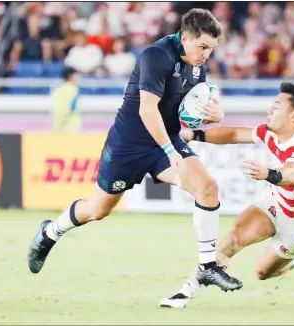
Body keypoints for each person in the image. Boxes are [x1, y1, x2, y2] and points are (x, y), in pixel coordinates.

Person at [27, 8, 243, 293]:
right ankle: (49, 232)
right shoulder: (157, 56)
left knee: (207, 188)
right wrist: (170, 149)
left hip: (165, 141)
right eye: (202, 47)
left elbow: (194, 107)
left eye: (211, 49)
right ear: (186, 38)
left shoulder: (197, 65)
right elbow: (147, 108)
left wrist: (216, 114)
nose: (206, 55)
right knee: (97, 210)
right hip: (128, 145)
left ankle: (207, 267)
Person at [160, 82, 294, 308]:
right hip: (275, 201)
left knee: (262, 272)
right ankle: (185, 292)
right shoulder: (271, 132)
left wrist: (269, 173)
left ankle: (291, 260)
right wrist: (192, 134)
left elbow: (292, 173)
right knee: (233, 240)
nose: (270, 109)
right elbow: (234, 133)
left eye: (277, 106)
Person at [51, 66, 82, 133]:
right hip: (70, 125)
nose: (78, 78)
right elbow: (72, 106)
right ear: (71, 76)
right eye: (76, 75)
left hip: (58, 123)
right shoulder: (73, 89)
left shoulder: (58, 89)